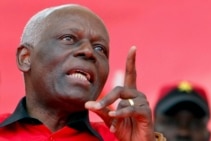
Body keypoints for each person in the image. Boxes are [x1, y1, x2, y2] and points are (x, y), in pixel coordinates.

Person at [0, 4, 166, 141]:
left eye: (99, 48)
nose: (88, 51)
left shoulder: (118, 139)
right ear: (26, 57)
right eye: (68, 38)